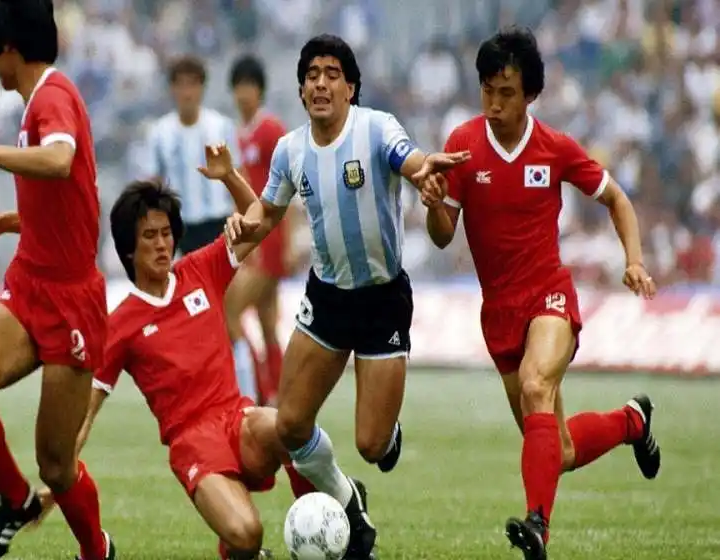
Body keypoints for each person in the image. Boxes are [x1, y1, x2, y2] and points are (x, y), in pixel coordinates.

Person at [39, 147, 369, 560]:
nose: (162, 245)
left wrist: (230, 175)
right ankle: (239, 549)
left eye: (165, 233)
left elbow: (262, 220)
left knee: (292, 427)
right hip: (193, 445)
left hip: (238, 418)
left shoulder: (200, 269)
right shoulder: (119, 323)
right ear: (128, 250)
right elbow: (86, 411)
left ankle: (333, 516)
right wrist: (61, 474)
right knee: (246, 534)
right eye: (148, 236)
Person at [414, 27, 661, 560]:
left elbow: (617, 199)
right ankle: (631, 421)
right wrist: (433, 201)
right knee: (560, 449)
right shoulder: (461, 145)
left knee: (534, 387)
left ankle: (537, 526)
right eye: (487, 91)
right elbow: (441, 235)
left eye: (506, 92)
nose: (495, 103)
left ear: (530, 94)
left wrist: (634, 260)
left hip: (548, 295)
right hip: (497, 313)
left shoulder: (555, 148)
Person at [223, 34, 469, 558]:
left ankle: (387, 436)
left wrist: (426, 173)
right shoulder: (291, 150)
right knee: (290, 424)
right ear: (301, 88)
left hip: (382, 300)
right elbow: (266, 211)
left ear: (351, 87)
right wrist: (244, 228)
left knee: (372, 445)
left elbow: (411, 160)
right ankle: (347, 502)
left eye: (332, 73)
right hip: (327, 299)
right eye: (311, 74)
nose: (320, 83)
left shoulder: (376, 128)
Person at [0, 1, 114, 559]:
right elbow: (76, 198)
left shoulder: (53, 97)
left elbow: (61, 160)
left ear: (6, 51)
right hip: (29, 285)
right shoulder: (38, 101)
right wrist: (9, 222)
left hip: (71, 304)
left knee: (57, 465)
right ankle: (15, 502)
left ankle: (97, 551)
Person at [133, 54, 258, 404]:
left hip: (218, 228)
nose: (187, 92)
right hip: (179, 231)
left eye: (193, 84)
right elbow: (152, 186)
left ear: (202, 88)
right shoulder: (159, 133)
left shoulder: (220, 127)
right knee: (183, 316)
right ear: (173, 89)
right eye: (180, 84)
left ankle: (247, 397)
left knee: (228, 315)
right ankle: (193, 392)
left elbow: (239, 179)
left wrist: (248, 230)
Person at [227, 54, 290, 405]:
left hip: (269, 239)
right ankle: (278, 396)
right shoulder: (238, 134)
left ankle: (256, 394)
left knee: (230, 312)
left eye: (248, 86)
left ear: (260, 90)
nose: (242, 94)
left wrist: (291, 241)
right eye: (238, 86)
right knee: (267, 323)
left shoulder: (271, 130)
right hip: (251, 238)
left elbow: (289, 186)